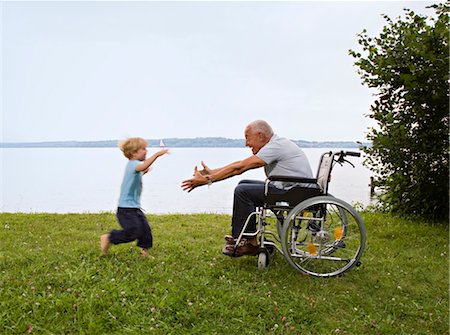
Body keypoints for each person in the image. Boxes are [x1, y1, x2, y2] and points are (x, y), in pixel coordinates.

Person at [181, 120, 315, 257]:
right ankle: (243, 237)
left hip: (295, 193)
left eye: (247, 138)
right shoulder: (276, 144)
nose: (246, 143)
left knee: (243, 191)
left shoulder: (276, 147)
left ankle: (248, 242)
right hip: (294, 190)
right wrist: (211, 173)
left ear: (261, 136)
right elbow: (239, 164)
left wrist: (207, 180)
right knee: (243, 184)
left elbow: (240, 167)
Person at [101, 137, 169, 257]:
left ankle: (144, 252)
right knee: (132, 232)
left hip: (134, 207)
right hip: (125, 209)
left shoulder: (134, 166)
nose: (146, 151)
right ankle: (109, 237)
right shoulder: (133, 164)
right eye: (143, 149)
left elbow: (141, 170)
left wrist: (144, 171)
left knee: (145, 229)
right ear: (133, 153)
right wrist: (157, 155)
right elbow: (142, 166)